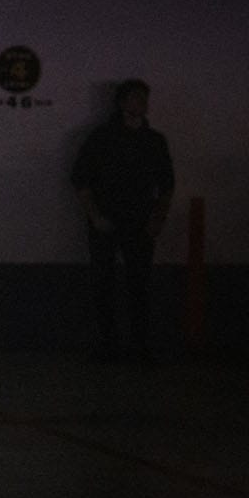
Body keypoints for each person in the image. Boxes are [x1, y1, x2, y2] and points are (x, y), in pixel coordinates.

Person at [71, 78, 175, 362]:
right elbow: (80, 179)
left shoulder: (153, 141)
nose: (142, 102)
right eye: (136, 97)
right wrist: (95, 216)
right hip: (107, 219)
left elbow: (167, 184)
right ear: (122, 103)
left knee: (138, 284)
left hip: (139, 221)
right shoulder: (102, 139)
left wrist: (157, 219)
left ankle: (138, 345)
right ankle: (109, 345)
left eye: (144, 97)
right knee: (104, 283)